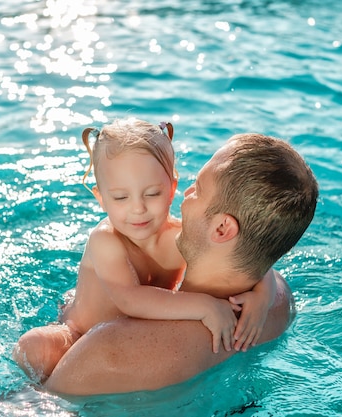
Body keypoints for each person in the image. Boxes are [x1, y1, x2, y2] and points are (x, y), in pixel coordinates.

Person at [40, 132, 319, 395]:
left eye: (197, 189)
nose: (185, 194)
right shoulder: (279, 303)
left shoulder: (110, 350)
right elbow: (261, 262)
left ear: (222, 229)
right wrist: (265, 293)